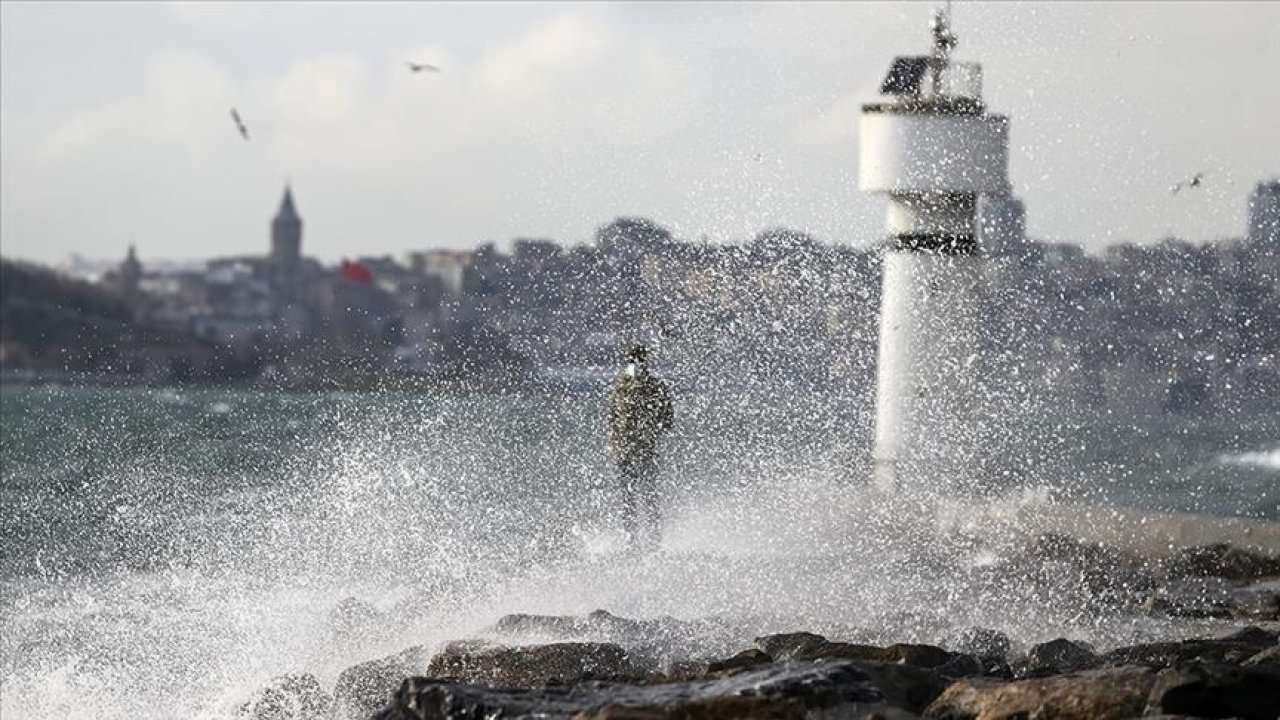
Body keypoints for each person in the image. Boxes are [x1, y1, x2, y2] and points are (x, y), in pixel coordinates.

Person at [608, 344, 675, 550]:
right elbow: (668, 421)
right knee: (647, 495)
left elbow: (612, 421)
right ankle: (648, 541)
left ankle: (635, 541)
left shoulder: (621, 387)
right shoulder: (654, 386)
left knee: (632, 497)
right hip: (641, 448)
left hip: (628, 449)